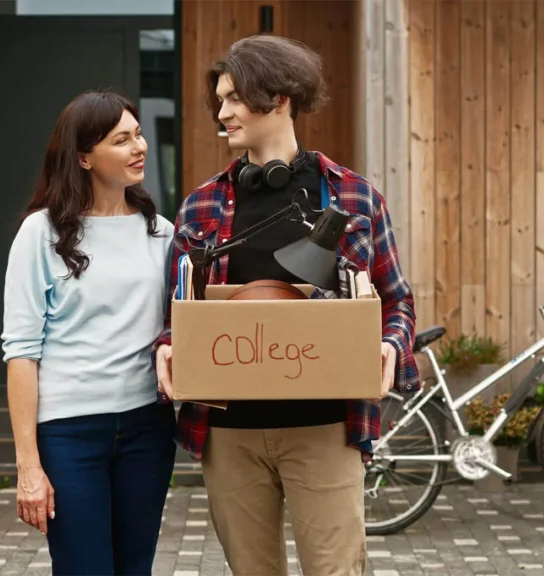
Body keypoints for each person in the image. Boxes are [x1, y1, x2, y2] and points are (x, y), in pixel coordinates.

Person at [154, 36, 419, 576]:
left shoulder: (354, 198)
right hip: (229, 434)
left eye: (234, 99)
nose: (222, 114)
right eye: (220, 101)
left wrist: (391, 345)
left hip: (326, 429)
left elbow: (396, 302)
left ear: (279, 98)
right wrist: (167, 347)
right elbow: (175, 314)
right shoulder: (201, 206)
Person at [1, 89, 176, 576]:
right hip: (69, 432)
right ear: (83, 157)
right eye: (121, 140)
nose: (139, 147)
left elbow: (176, 326)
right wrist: (28, 467)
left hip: (147, 427)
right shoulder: (40, 233)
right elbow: (21, 352)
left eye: (138, 134)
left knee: (135, 567)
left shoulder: (160, 232)